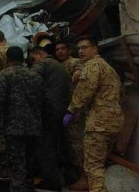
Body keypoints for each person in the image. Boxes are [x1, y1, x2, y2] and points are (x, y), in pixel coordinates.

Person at [63, 36, 124, 192]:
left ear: (95, 49)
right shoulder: (109, 68)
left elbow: (84, 93)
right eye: (79, 49)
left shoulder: (92, 66)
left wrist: (70, 110)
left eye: (85, 47)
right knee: (99, 162)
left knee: (93, 165)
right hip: (114, 121)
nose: (81, 51)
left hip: (99, 122)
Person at [0, 46, 46, 192]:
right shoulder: (36, 76)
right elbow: (43, 102)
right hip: (34, 128)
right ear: (23, 59)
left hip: (14, 130)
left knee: (17, 168)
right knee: (29, 167)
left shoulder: (5, 75)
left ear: (8, 59)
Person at [29, 46, 72, 189]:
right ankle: (64, 178)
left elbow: (29, 77)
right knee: (56, 146)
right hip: (60, 113)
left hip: (49, 113)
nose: (33, 62)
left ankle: (53, 183)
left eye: (33, 59)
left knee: (45, 148)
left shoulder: (45, 63)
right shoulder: (59, 66)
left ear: (39, 54)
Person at [54, 40, 86, 187]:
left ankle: (84, 174)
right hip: (65, 109)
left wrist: (78, 72)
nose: (60, 51)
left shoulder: (73, 62)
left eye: (62, 49)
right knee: (68, 141)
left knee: (76, 142)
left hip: (75, 111)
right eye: (57, 49)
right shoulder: (59, 65)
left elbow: (80, 66)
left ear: (69, 51)